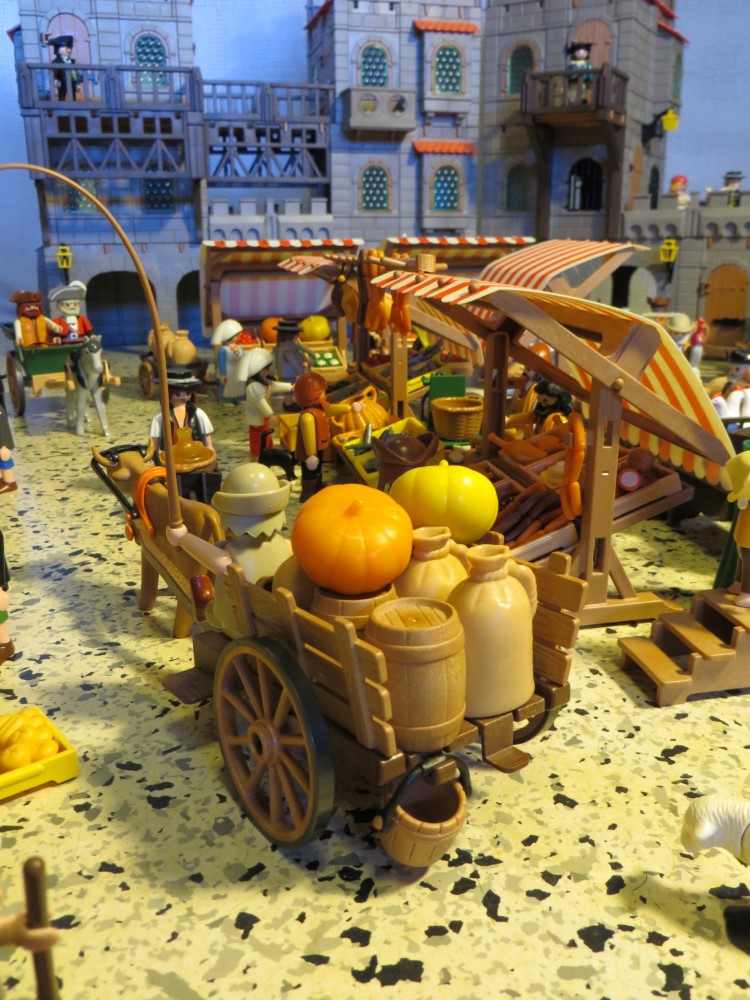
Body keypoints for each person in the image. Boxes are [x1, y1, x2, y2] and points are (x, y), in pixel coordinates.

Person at [166, 463, 292, 635]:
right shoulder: (285, 544)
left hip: (239, 624)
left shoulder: (230, 557)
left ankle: (209, 613)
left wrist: (182, 538)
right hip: (279, 618)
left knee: (205, 592)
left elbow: (211, 557)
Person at [238, 347, 292, 459]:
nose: (268, 371)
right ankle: (258, 455)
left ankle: (267, 452)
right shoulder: (253, 387)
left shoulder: (263, 382)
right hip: (257, 419)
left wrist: (290, 387)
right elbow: (260, 403)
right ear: (257, 370)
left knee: (266, 435)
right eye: (266, 369)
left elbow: (274, 386)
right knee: (259, 438)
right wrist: (270, 415)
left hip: (263, 417)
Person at [149, 368, 214, 455]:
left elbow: (207, 440)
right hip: (171, 457)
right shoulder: (160, 417)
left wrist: (210, 450)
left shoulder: (198, 414)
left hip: (194, 455)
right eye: (177, 394)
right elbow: (154, 445)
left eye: (187, 393)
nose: (183, 397)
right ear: (167, 393)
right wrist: (154, 456)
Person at [48, 34, 81, 101]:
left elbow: (74, 73)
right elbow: (55, 71)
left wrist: (77, 83)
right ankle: (62, 104)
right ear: (58, 49)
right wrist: (55, 79)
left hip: (71, 82)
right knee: (62, 95)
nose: (69, 51)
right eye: (66, 48)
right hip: (62, 81)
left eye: (70, 48)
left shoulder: (72, 62)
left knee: (72, 96)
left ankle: (73, 105)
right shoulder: (57, 61)